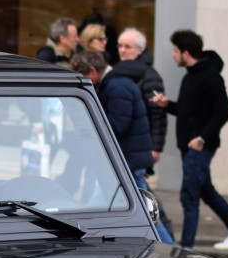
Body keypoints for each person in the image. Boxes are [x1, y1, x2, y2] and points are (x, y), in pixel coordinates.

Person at [152, 29, 228, 251]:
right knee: (205, 190)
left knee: (189, 195)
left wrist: (202, 138)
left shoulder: (210, 77)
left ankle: (185, 248)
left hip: (199, 147)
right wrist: (167, 104)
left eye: (175, 51)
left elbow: (223, 112)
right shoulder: (191, 76)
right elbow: (189, 111)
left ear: (186, 52)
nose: (173, 55)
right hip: (191, 146)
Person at [71, 51, 173, 244]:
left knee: (143, 213)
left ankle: (171, 250)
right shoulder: (116, 83)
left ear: (92, 70)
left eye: (83, 77)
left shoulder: (116, 86)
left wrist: (89, 124)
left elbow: (117, 125)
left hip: (128, 161)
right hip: (127, 159)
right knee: (136, 210)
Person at [112, 28, 174, 235]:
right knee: (141, 196)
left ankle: (166, 240)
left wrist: (155, 147)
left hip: (140, 145)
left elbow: (157, 115)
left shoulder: (148, 75)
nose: (122, 50)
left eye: (127, 46)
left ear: (139, 49)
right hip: (135, 145)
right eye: (120, 45)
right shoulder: (124, 71)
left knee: (143, 197)